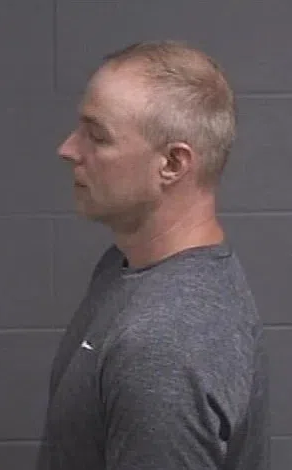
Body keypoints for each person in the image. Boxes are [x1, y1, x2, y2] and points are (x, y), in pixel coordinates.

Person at [38, 40, 269, 469]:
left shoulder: (163, 345)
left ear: (173, 164)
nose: (68, 149)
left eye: (97, 136)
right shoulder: (125, 267)